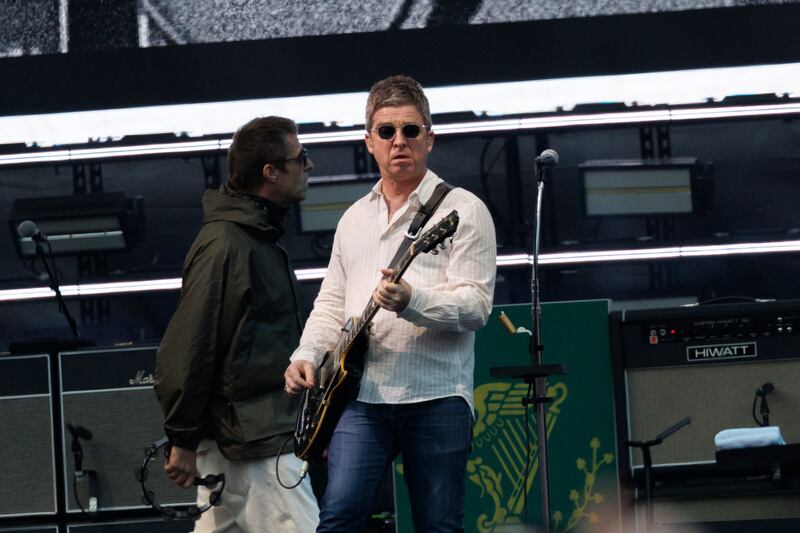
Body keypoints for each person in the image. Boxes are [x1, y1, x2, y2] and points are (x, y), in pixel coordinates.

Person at [284, 75, 497, 532]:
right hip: (360, 396)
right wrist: (305, 356)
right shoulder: (353, 219)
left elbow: (476, 306)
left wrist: (411, 301)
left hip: (437, 395)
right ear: (369, 142)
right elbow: (331, 304)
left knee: (438, 525)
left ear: (430, 138)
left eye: (410, 130)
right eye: (386, 131)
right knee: (338, 516)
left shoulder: (465, 210)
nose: (399, 141)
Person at [154, 116, 319, 532]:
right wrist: (183, 438)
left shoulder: (249, 237)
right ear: (270, 172)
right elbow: (189, 348)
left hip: (245, 440)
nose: (309, 166)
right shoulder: (229, 244)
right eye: (301, 158)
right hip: (255, 449)